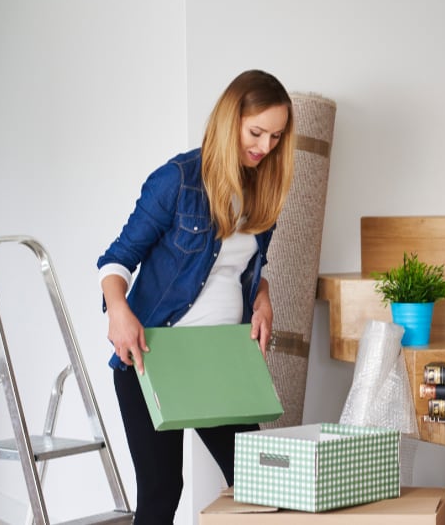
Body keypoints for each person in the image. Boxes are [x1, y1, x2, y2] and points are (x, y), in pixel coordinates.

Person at [96, 69, 295, 523]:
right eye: (256, 132)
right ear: (231, 120)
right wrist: (119, 311)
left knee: (261, 483)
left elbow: (242, 268)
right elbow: (116, 260)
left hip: (222, 360)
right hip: (156, 359)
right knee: (163, 493)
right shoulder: (177, 180)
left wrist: (262, 297)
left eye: (276, 137)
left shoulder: (262, 189)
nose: (265, 147)